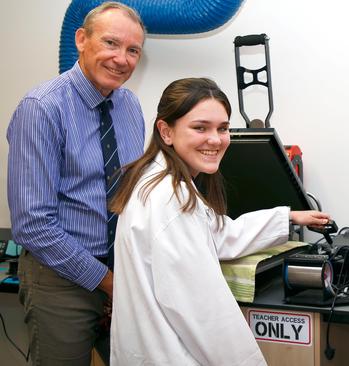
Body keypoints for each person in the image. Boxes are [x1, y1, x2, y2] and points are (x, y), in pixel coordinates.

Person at [108, 77, 330, 365]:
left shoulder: (159, 182)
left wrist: (287, 216)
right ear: (166, 131)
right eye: (200, 127)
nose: (215, 139)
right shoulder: (172, 202)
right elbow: (206, 314)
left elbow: (219, 234)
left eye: (223, 128)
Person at [6, 2, 146, 365]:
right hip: (60, 280)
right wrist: (107, 281)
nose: (122, 59)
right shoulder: (42, 108)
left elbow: (131, 193)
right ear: (82, 40)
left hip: (120, 273)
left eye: (133, 50)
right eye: (111, 43)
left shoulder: (130, 106)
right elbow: (33, 224)